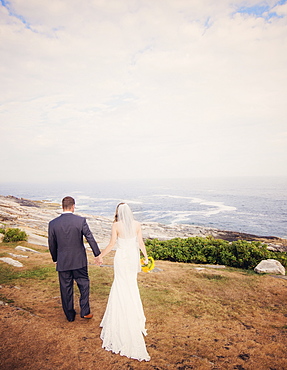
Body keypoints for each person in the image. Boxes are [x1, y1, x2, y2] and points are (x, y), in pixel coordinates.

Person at [97, 202, 150, 361]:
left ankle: (121, 315)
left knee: (120, 285)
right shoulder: (137, 224)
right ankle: (134, 314)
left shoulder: (116, 225)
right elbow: (140, 243)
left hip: (121, 258)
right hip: (133, 257)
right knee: (131, 285)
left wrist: (101, 255)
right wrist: (146, 258)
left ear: (118, 212)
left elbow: (112, 244)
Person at [48, 196, 102, 322]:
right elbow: (90, 237)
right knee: (84, 285)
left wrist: (55, 258)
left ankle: (70, 316)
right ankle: (85, 311)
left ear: (62, 207)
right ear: (73, 206)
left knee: (65, 289)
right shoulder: (80, 221)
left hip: (63, 261)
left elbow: (52, 243)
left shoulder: (53, 223)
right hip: (79, 261)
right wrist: (97, 254)